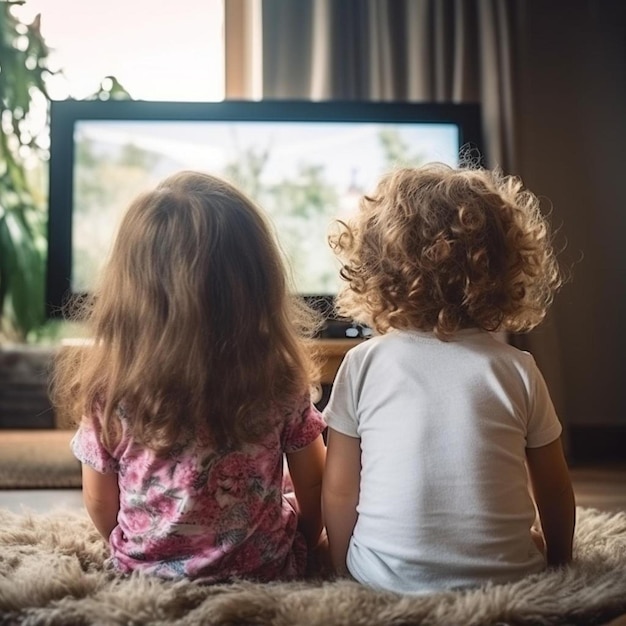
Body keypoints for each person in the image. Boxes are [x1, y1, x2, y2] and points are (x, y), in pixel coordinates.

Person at [52, 170, 327, 583]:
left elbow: (99, 500)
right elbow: (314, 485)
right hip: (263, 569)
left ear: (131, 287)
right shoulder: (278, 376)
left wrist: (133, 548)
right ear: (259, 279)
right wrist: (302, 542)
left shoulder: (111, 385)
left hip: (146, 574)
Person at [321, 162, 576, 594]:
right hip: (507, 579)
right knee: (527, 540)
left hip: (384, 580)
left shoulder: (362, 363)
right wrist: (561, 563)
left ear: (378, 269)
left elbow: (341, 492)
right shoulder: (518, 368)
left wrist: (345, 569)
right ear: (504, 268)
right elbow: (554, 489)